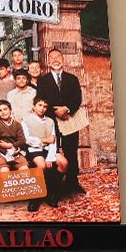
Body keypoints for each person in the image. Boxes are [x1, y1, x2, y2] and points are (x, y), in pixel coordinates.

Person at [34, 48, 86, 194]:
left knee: (71, 152)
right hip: (51, 122)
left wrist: (67, 109)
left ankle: (73, 183)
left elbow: (77, 99)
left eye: (58, 56)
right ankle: (54, 185)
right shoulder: (43, 81)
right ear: (48, 61)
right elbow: (41, 100)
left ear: (63, 60)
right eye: (52, 57)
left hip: (70, 120)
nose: (55, 59)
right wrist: (56, 111)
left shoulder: (72, 78)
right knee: (53, 151)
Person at [0, 100, 27, 172]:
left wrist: (11, 146)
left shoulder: (17, 124)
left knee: (24, 170)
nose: (3, 112)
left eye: (5, 109)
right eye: (0, 111)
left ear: (10, 110)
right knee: (4, 171)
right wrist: (7, 152)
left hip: (15, 152)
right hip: (1, 153)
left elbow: (22, 140)